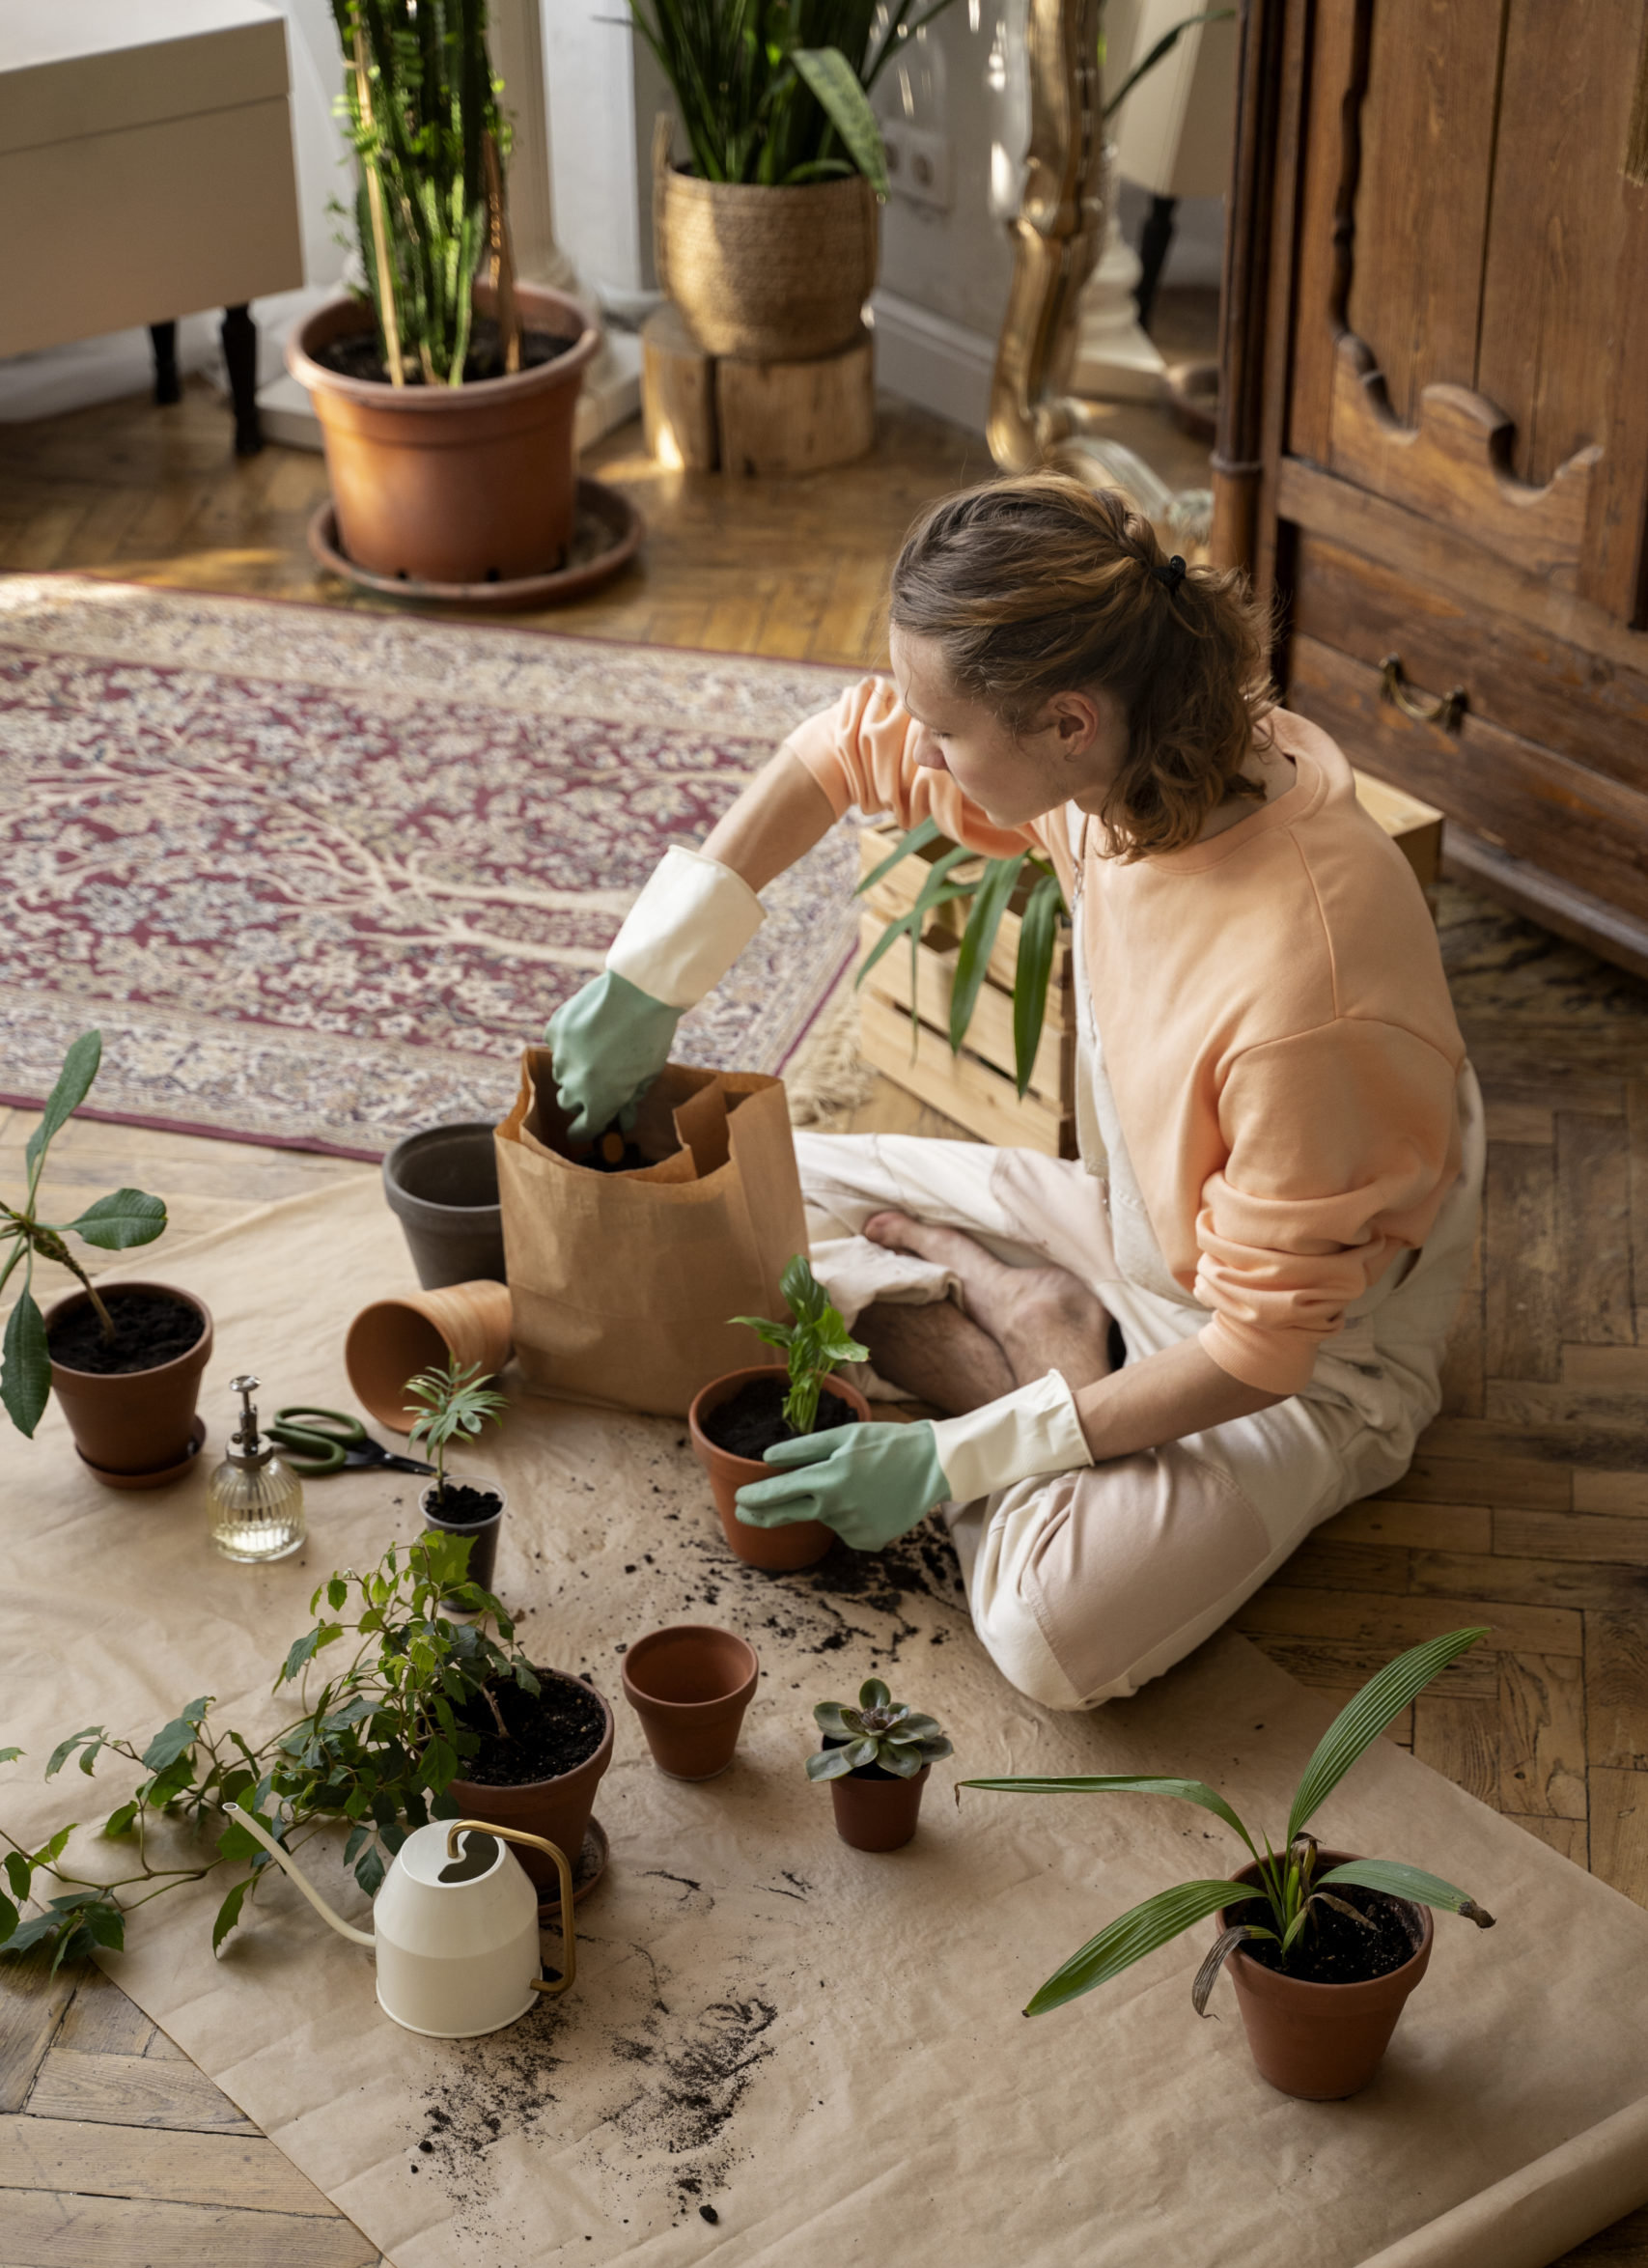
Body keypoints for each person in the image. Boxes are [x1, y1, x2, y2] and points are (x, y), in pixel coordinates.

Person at [547, 476, 1483, 1711]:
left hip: (1302, 1367)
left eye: (947, 729)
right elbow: (844, 746)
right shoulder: (1129, 773)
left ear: (1067, 722)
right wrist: (647, 979)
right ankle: (1037, 1328)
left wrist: (952, 1459)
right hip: (1130, 1229)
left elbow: (1262, 1348)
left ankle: (1035, 1354)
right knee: (744, 1187)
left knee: (1047, 1634)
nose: (919, 747)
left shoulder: (1303, 987)